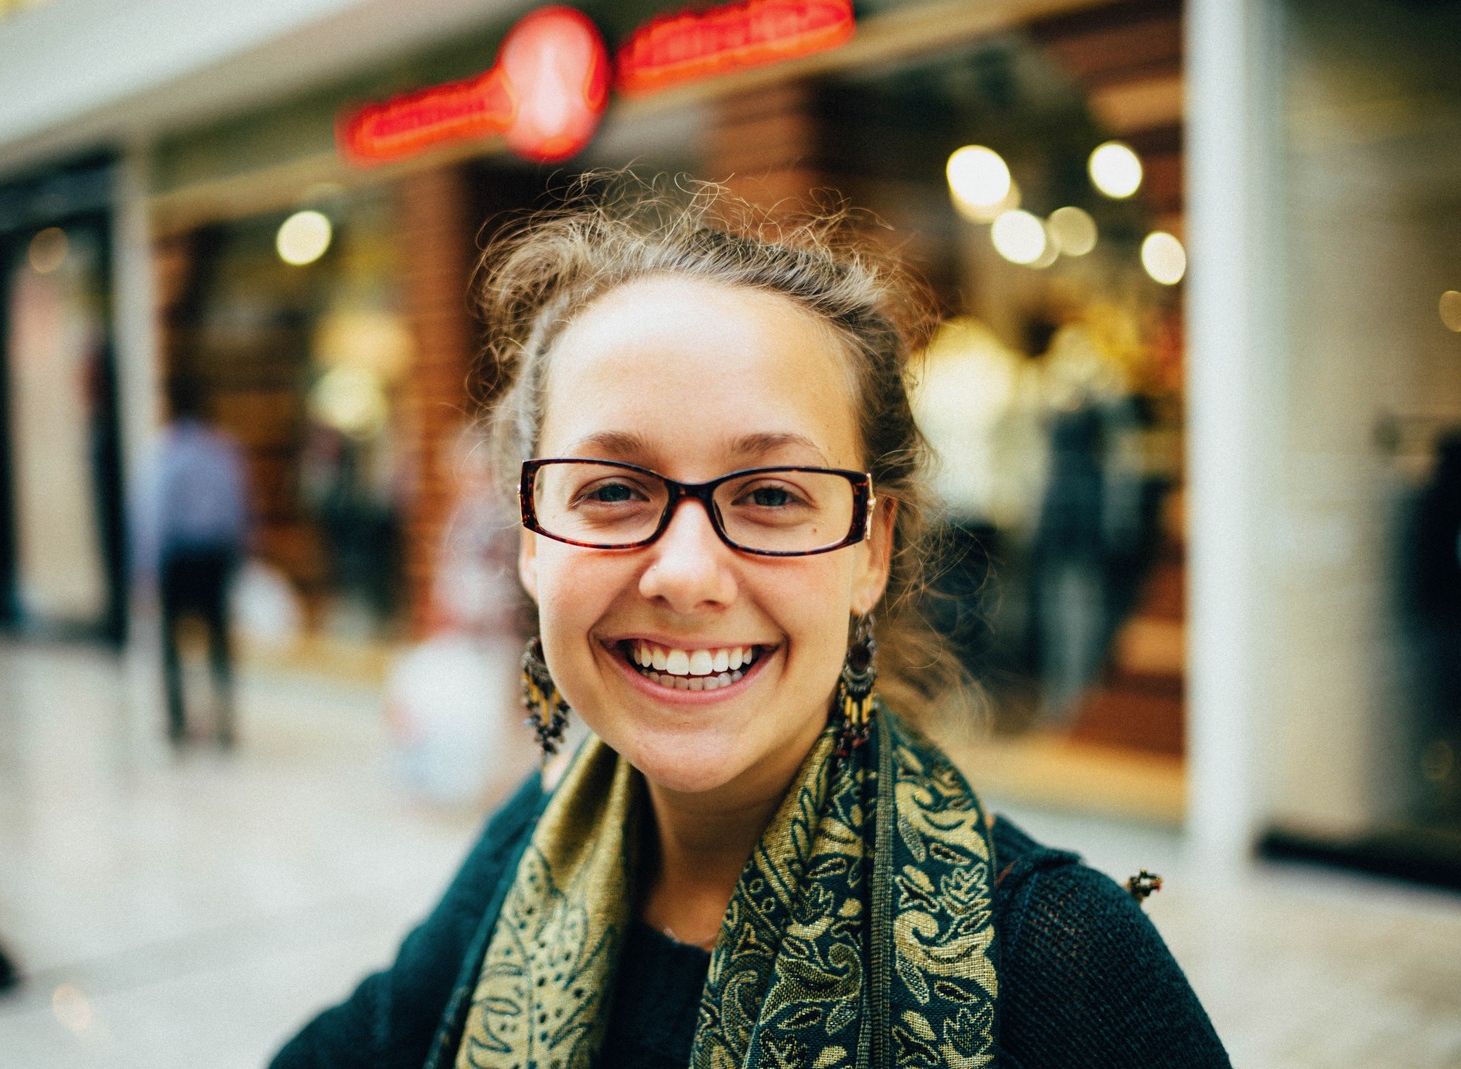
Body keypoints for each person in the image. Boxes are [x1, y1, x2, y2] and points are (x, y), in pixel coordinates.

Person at [270, 177, 1231, 1068]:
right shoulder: (533, 849)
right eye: (611, 488)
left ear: (871, 547)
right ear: (530, 538)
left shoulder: (1057, 962)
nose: (686, 574)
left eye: (772, 493)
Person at [137, 377, 250, 745]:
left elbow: (153, 517)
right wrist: (240, 558)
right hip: (214, 558)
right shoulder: (223, 450)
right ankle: (224, 720)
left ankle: (178, 722)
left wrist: (145, 570)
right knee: (219, 641)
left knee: (171, 645)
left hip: (178, 559)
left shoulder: (165, 453)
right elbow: (238, 511)